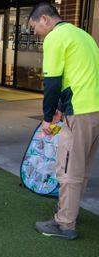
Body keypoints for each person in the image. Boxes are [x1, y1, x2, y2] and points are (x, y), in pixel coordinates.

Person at [29, 2, 99, 239]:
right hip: (94, 109)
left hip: (80, 112)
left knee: (67, 168)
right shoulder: (82, 35)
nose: (36, 33)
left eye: (34, 26)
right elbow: (79, 75)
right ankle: (69, 210)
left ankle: (65, 224)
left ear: (45, 20)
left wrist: (48, 118)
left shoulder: (55, 37)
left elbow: (52, 83)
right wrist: (60, 109)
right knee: (82, 166)